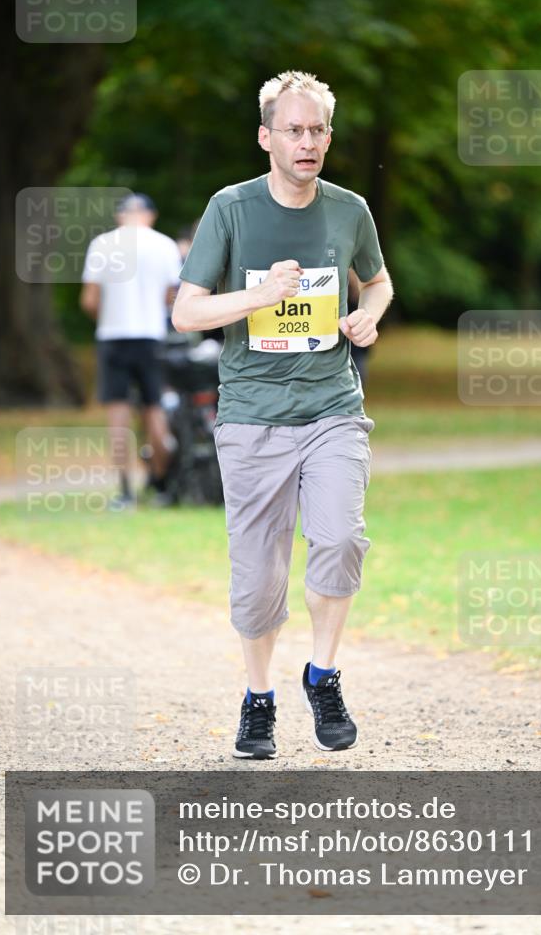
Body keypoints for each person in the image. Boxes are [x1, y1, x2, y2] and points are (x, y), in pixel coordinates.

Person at [172, 70, 394, 759]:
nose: (307, 142)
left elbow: (379, 281)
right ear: (265, 136)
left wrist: (366, 316)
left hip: (330, 406)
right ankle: (258, 699)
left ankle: (322, 674)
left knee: (338, 538)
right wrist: (259, 295)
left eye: (318, 130)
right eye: (293, 130)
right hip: (251, 417)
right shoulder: (230, 210)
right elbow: (185, 313)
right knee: (258, 572)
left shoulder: (348, 209)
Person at [80, 193, 183, 507]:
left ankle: (125, 492)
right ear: (150, 215)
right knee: (155, 409)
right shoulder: (165, 245)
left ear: (120, 216)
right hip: (151, 337)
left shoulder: (102, 244)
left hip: (113, 337)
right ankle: (162, 485)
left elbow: (89, 300)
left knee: (118, 416)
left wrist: (106, 318)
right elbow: (171, 297)